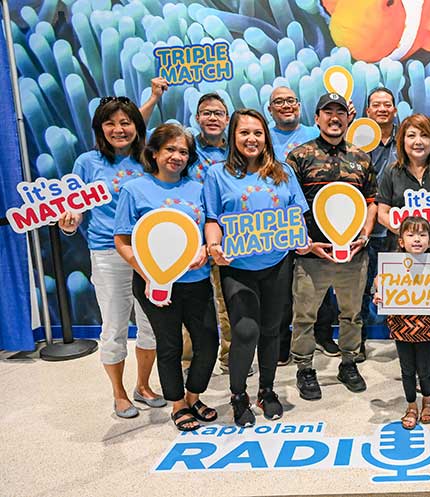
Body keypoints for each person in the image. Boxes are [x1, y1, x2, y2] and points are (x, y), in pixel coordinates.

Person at [58, 96, 165, 419]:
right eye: (110, 123)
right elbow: (73, 209)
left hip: (150, 253)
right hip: (107, 251)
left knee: (150, 325)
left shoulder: (149, 159)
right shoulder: (87, 163)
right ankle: (119, 394)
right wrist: (70, 222)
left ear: (137, 126)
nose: (118, 129)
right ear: (99, 128)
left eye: (125, 123)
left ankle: (143, 386)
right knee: (115, 325)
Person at [204, 109, 311, 426]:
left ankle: (267, 390)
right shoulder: (217, 175)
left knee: (271, 331)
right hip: (237, 266)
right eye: (244, 133)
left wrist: (301, 239)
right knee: (245, 331)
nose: (251, 139)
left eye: (257, 133)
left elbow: (297, 215)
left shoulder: (283, 173)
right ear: (233, 137)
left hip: (277, 263)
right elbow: (212, 219)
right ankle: (238, 394)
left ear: (266, 137)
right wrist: (213, 246)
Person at [113, 123, 218, 431]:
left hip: (196, 281)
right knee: (169, 345)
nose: (177, 156)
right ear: (155, 153)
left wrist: (205, 249)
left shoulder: (199, 189)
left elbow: (208, 229)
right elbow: (122, 241)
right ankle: (177, 404)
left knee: (208, 341)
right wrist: (150, 275)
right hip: (155, 284)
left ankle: (194, 395)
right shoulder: (134, 189)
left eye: (183, 151)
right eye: (170, 149)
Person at [140, 79, 244, 376]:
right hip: (184, 241)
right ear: (197, 118)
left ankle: (229, 357)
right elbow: (139, 136)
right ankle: (188, 361)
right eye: (206, 112)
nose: (212, 118)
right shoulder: (184, 146)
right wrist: (153, 98)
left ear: (227, 119)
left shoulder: (236, 151)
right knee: (185, 303)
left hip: (225, 238)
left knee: (226, 302)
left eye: (219, 113)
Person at [287, 92, 377, 400]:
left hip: (353, 254)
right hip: (313, 254)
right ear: (317, 118)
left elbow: (371, 201)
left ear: (348, 117)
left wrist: (364, 235)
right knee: (304, 315)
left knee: (351, 314)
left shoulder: (361, 157)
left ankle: (349, 362)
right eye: (328, 111)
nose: (334, 117)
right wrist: (303, 244)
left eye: (340, 112)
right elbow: (289, 206)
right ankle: (305, 368)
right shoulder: (299, 156)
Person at [376, 113, 430, 389]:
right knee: (408, 317)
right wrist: (404, 233)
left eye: (424, 135)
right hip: (403, 261)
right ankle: (411, 370)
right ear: (402, 140)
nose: (418, 141)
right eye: (411, 135)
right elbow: (382, 212)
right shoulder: (392, 172)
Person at [267, 86, 340, 364]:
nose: (286, 106)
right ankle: (283, 342)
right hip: (277, 225)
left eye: (291, 100)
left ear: (299, 105)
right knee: (283, 289)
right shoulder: (265, 137)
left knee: (320, 285)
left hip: (315, 223)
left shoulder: (314, 132)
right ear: (270, 109)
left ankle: (323, 335)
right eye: (279, 102)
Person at [374, 217, 430, 429]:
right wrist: (379, 294)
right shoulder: (392, 264)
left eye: (422, 235)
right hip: (400, 324)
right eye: (410, 235)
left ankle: (428, 402)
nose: (416, 239)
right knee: (407, 369)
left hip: (426, 323)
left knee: (425, 368)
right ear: (401, 241)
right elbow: (378, 281)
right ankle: (411, 406)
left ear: (429, 240)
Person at [360, 86, 400, 360]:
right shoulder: (359, 140)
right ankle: (359, 341)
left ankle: (402, 336)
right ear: (368, 111)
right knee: (364, 286)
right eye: (377, 105)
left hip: (399, 228)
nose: (382, 109)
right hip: (368, 227)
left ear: (395, 110)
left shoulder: (406, 137)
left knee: (399, 282)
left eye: (387, 104)